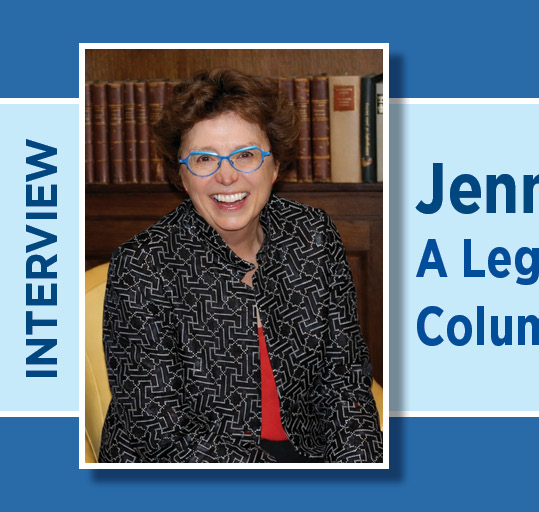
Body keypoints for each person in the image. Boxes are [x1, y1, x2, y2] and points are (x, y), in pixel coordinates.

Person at [98, 68, 383, 463]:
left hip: (302, 458)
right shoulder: (143, 266)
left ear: (275, 166)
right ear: (182, 174)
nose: (227, 176)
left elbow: (345, 385)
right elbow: (156, 433)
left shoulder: (313, 236)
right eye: (203, 159)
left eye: (246, 155)